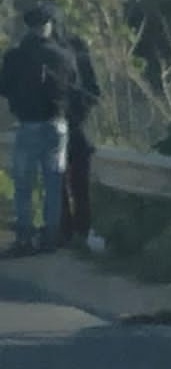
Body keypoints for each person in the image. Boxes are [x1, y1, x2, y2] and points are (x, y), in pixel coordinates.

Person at [0, 1, 79, 257]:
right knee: (53, 183)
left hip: (29, 124)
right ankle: (49, 236)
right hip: (57, 125)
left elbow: (3, 87)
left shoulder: (15, 56)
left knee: (24, 184)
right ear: (50, 26)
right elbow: (75, 86)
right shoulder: (64, 55)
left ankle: (24, 236)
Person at [58, 27, 101, 246]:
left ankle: (73, 231)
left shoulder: (76, 55)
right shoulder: (73, 52)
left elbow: (93, 93)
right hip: (67, 128)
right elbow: (94, 93)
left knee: (69, 184)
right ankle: (74, 231)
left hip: (70, 128)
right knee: (71, 184)